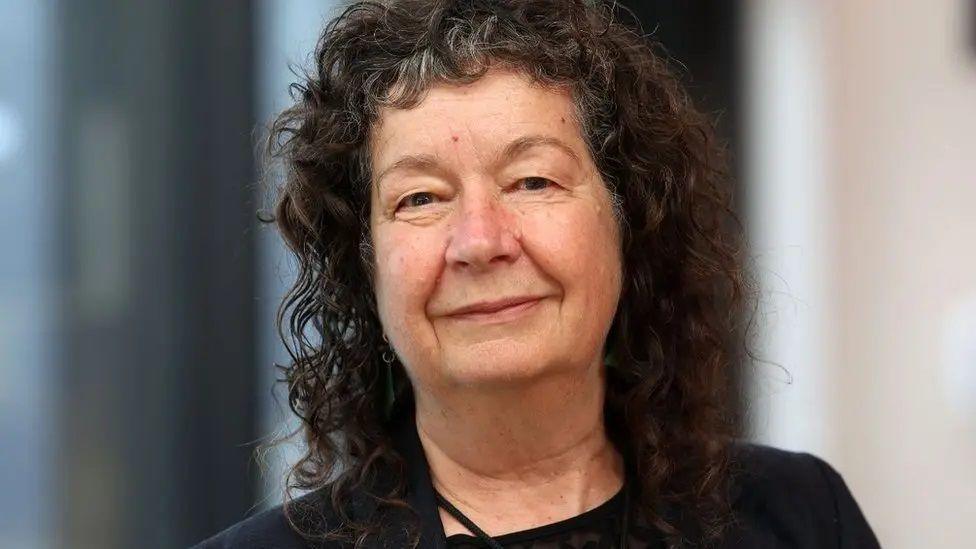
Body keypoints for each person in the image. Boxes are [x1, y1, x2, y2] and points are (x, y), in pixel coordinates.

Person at [194, 0, 880, 547]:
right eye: (421, 198)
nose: (480, 241)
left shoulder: (802, 519)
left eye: (532, 180)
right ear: (364, 265)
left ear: (628, 224)